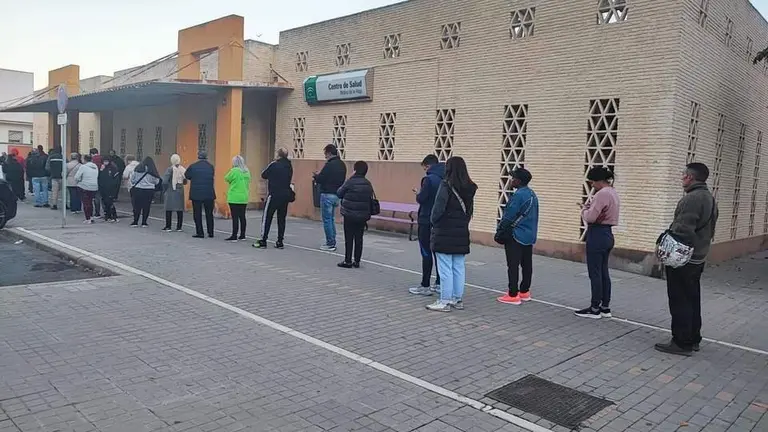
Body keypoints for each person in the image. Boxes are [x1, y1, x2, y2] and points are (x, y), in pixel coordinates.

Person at [655, 163, 718, 356]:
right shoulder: (709, 197)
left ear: (690, 177)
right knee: (692, 298)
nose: (681, 177)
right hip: (698, 256)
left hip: (684, 259)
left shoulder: (691, 199)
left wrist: (667, 250)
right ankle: (693, 338)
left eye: (683, 174)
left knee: (680, 299)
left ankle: (681, 342)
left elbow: (683, 231)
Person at [426, 156, 477, 312]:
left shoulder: (446, 185)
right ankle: (457, 298)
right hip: (461, 230)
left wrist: (433, 222)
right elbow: (469, 211)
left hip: (445, 230)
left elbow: (438, 209)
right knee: (458, 266)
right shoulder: (470, 187)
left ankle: (444, 300)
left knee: (445, 267)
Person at [574, 167, 621, 319]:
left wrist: (583, 211)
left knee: (594, 273)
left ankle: (594, 308)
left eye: (593, 182)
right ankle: (605, 307)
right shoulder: (613, 192)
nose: (592, 185)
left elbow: (590, 218)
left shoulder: (602, 194)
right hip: (608, 234)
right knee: (603, 272)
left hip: (597, 234)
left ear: (599, 181)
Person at [496, 168, 539, 305]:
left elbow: (509, 216)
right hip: (529, 235)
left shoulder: (518, 195)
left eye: (513, 178)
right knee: (527, 264)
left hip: (516, 235)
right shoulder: (532, 194)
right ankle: (525, 291)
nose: (511, 180)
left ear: (519, 181)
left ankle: (513, 294)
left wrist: (501, 229)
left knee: (513, 265)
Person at [409, 154, 445, 296]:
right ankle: (439, 283)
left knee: (426, 252)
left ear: (428, 165)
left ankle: (425, 285)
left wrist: (418, 194)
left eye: (424, 167)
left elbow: (423, 198)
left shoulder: (429, 179)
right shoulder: (445, 178)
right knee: (439, 253)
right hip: (440, 221)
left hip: (426, 219)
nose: (424, 170)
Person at [337, 161, 375, 268]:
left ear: (355, 170)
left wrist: (348, 179)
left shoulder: (350, 182)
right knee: (359, 238)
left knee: (349, 238)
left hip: (349, 214)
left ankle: (347, 260)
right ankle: (357, 261)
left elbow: (339, 193)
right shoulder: (368, 183)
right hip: (362, 215)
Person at [254, 148, 293, 249]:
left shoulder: (274, 164)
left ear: (278, 155)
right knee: (281, 218)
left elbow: (264, 175)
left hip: (274, 194)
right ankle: (280, 241)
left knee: (267, 217)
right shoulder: (289, 166)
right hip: (285, 195)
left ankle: (263, 240)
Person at [313, 144, 347, 251]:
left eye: (325, 154)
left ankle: (330, 243)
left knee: (327, 220)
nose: (325, 157)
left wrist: (316, 176)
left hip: (327, 194)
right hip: (337, 195)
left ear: (329, 153)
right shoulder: (342, 165)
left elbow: (321, 179)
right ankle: (332, 240)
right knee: (331, 219)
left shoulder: (329, 165)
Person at [185, 151, 216, 238]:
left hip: (196, 194)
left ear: (198, 156)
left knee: (197, 214)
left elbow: (187, 176)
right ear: (206, 157)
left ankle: (200, 232)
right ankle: (211, 232)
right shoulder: (211, 167)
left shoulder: (193, 166)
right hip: (209, 193)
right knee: (209, 214)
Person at [222, 155, 251, 241]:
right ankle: (242, 235)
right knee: (242, 216)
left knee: (235, 217)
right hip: (244, 196)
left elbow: (226, 178)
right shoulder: (246, 171)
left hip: (234, 197)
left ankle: (234, 235)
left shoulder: (234, 171)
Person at [129, 157, 160, 227]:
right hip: (149, 190)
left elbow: (132, 180)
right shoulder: (153, 171)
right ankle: (144, 222)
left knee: (137, 206)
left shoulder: (138, 169)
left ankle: (135, 221)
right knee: (146, 206)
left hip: (138, 189)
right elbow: (156, 182)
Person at [161, 154, 186, 232]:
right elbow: (185, 180)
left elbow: (165, 181)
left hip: (171, 189)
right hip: (180, 189)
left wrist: (164, 189)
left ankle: (168, 226)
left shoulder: (170, 169)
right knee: (180, 209)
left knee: (169, 208)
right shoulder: (183, 169)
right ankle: (179, 227)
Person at [74, 154, 99, 224]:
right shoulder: (95, 166)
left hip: (84, 186)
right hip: (94, 187)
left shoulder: (83, 167)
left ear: (84, 159)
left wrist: (79, 181)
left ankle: (87, 218)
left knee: (85, 203)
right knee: (90, 202)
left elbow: (76, 177)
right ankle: (91, 217)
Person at [98, 158, 121, 222]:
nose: (105, 162)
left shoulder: (113, 169)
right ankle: (107, 215)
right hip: (103, 188)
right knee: (105, 202)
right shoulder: (102, 169)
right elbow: (99, 178)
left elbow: (116, 180)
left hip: (110, 189)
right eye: (104, 161)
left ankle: (114, 215)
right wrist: (101, 170)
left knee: (110, 202)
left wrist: (114, 187)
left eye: (106, 161)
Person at [46, 146, 64, 210]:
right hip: (62, 177)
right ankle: (65, 205)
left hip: (54, 176)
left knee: (54, 191)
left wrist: (52, 172)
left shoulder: (50, 157)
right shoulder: (63, 157)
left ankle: (54, 205)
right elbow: (66, 166)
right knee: (64, 192)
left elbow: (47, 167)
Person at [89, 148, 103, 217]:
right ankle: (106, 212)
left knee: (96, 197)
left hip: (95, 180)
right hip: (103, 180)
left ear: (91, 154)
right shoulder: (102, 158)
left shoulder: (93, 160)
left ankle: (97, 212)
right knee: (103, 197)